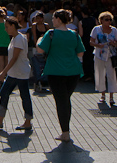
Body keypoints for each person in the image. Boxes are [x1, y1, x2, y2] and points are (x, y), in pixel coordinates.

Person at [36, 9, 85, 143]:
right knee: (65, 100)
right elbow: (80, 53)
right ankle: (65, 131)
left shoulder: (50, 34)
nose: (51, 20)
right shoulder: (74, 34)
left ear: (58, 19)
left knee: (62, 102)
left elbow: (40, 50)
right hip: (73, 72)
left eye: (53, 18)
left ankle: (65, 132)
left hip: (55, 72)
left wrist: (39, 40)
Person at [0, 17, 33, 131]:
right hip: (15, 72)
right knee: (5, 92)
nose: (6, 29)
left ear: (13, 26)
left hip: (20, 72)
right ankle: (0, 119)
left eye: (7, 27)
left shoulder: (18, 39)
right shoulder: (15, 38)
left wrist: (3, 72)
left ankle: (27, 121)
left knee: (24, 95)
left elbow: (14, 58)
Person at [90, 11, 117, 104]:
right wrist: (98, 45)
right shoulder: (96, 29)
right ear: (101, 20)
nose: (108, 21)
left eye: (110, 20)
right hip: (99, 54)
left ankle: (111, 97)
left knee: (111, 75)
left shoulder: (114, 30)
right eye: (106, 19)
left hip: (110, 55)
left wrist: (114, 43)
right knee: (100, 75)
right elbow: (91, 42)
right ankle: (102, 95)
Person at [30, 11, 49, 92]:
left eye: (40, 18)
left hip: (45, 46)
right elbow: (34, 36)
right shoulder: (34, 26)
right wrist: (36, 45)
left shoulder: (46, 25)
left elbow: (48, 34)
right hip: (37, 46)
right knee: (37, 63)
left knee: (45, 63)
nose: (38, 20)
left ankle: (45, 79)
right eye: (37, 19)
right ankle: (37, 79)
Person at [78, 8, 97, 81]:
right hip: (94, 41)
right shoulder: (94, 19)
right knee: (93, 58)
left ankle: (88, 74)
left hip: (85, 42)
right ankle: (94, 74)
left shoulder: (81, 22)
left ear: (82, 13)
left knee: (86, 59)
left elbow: (81, 34)